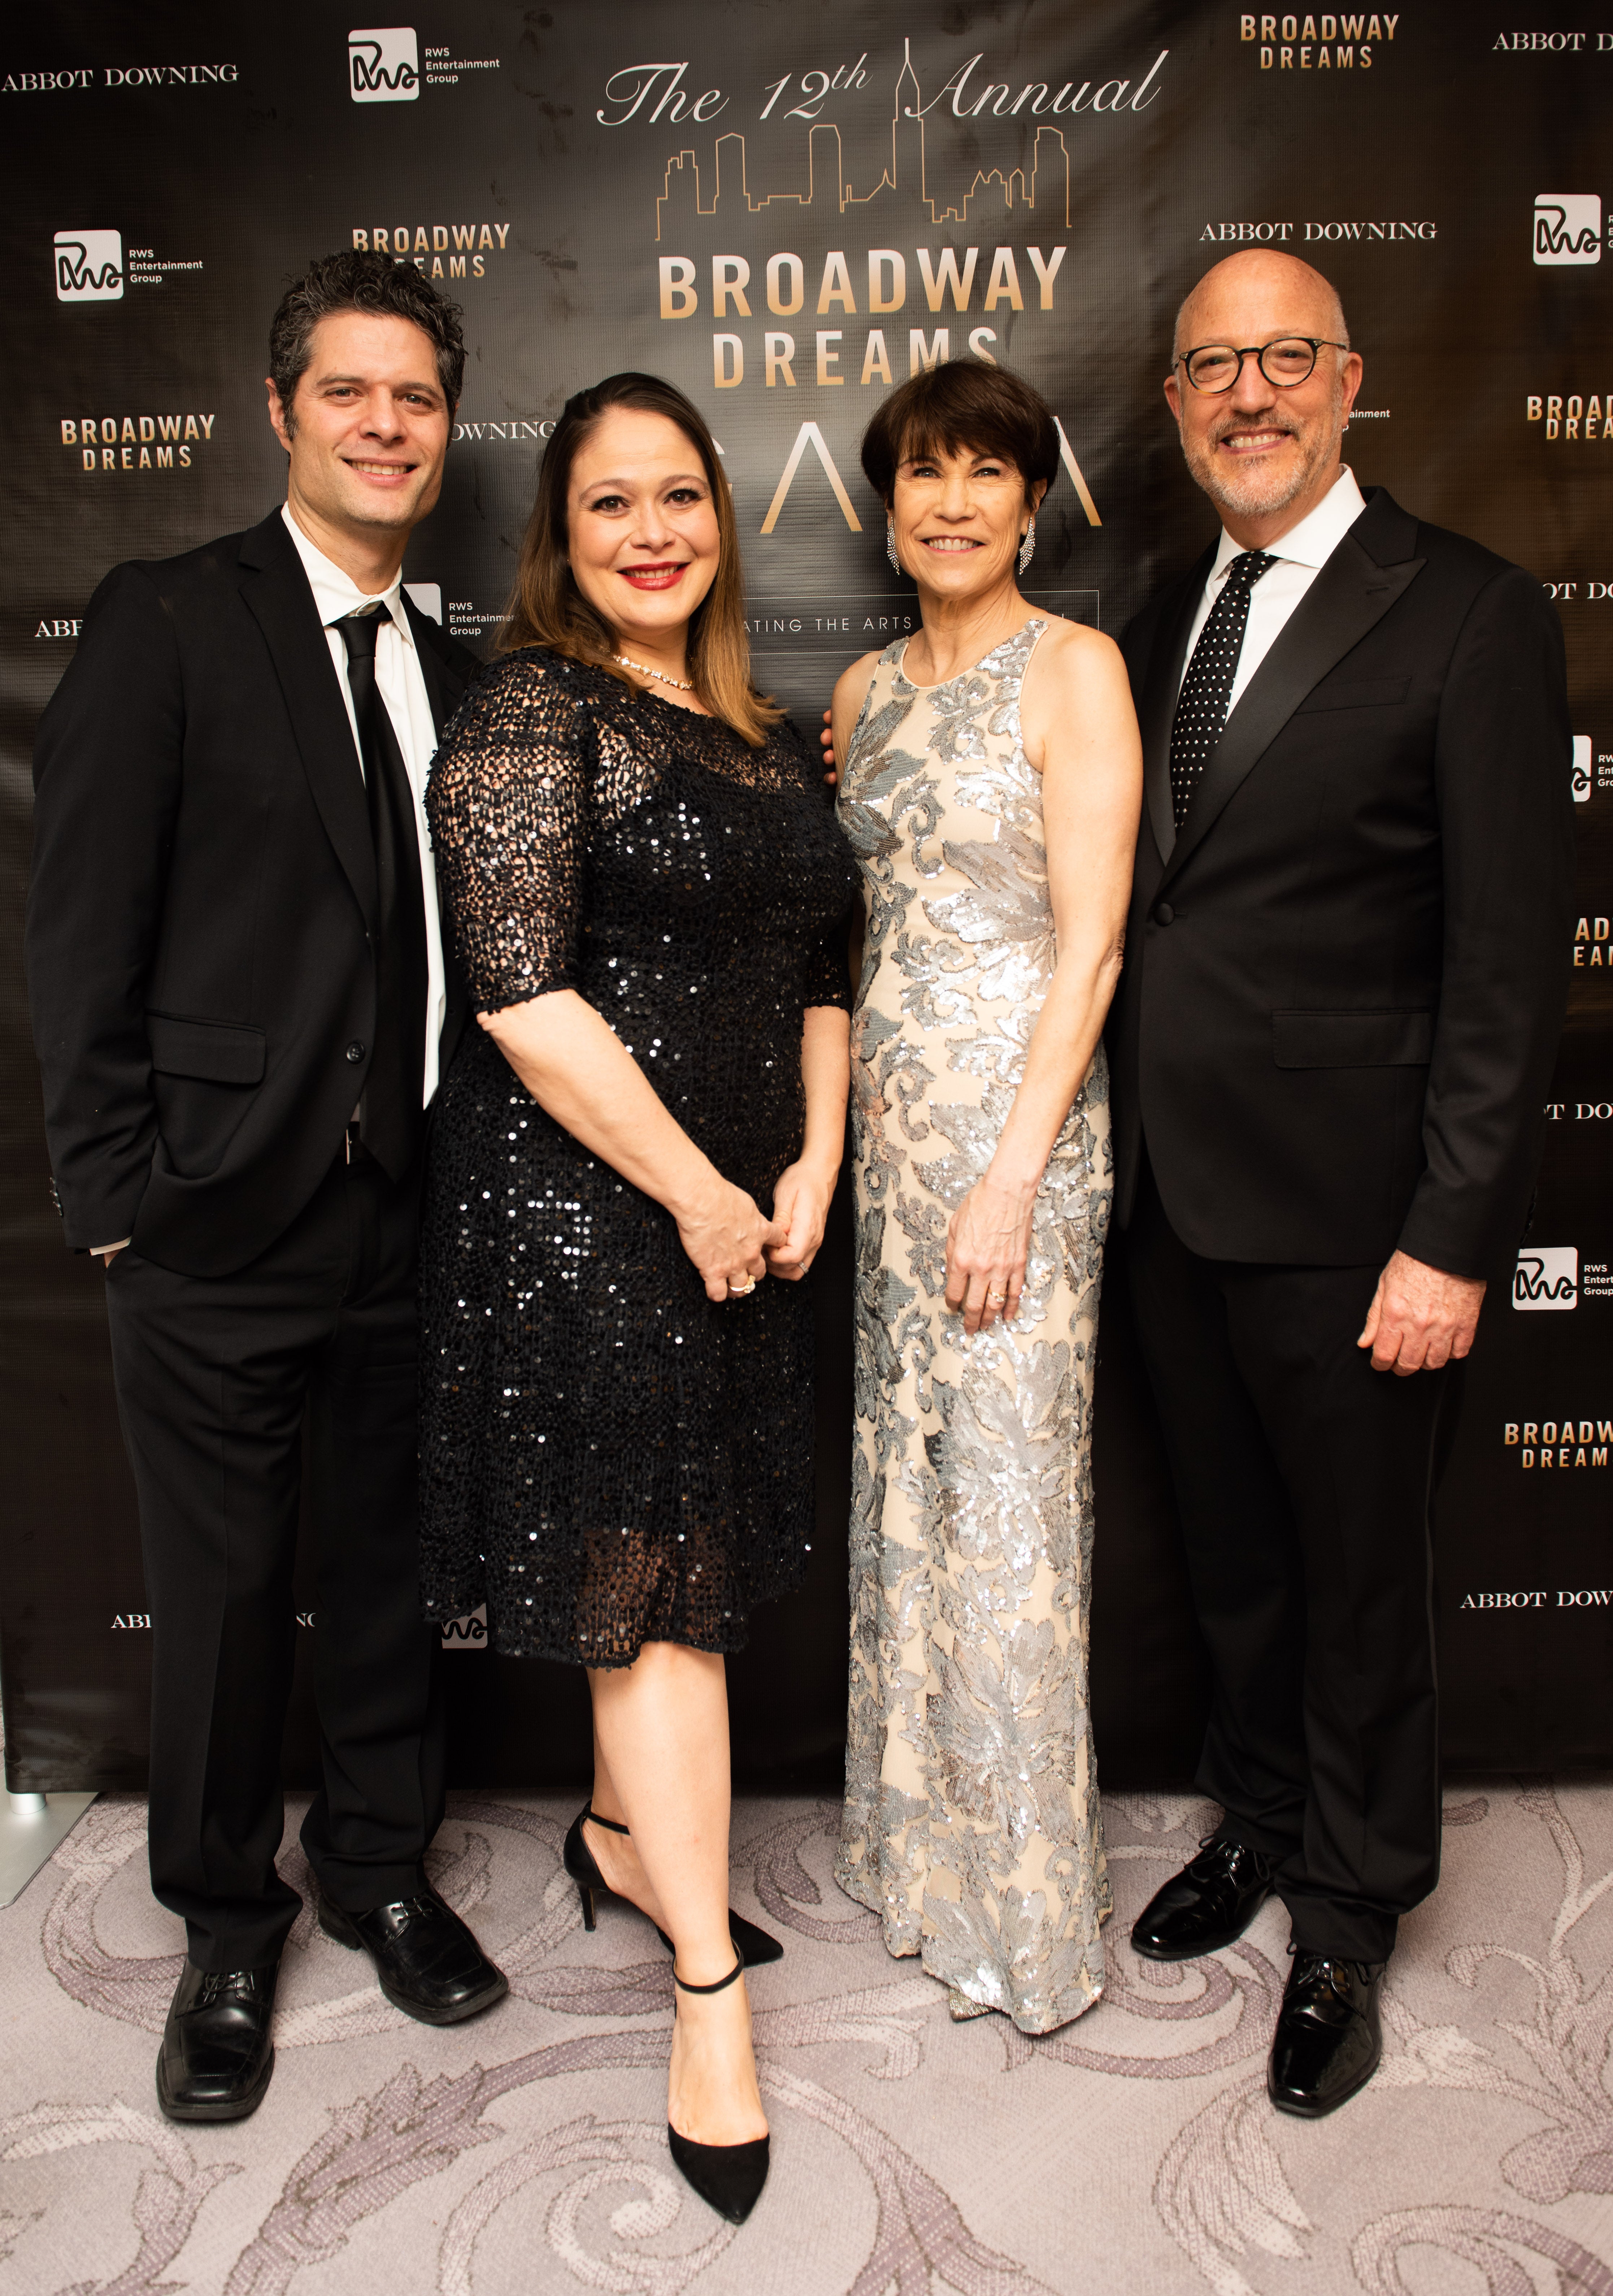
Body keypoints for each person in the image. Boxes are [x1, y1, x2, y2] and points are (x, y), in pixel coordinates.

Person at [25, 252, 508, 2125]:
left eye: (417, 399)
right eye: (352, 392)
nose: (387, 425)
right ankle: (228, 1924)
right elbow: (80, 934)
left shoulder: (457, 677)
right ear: (284, 411)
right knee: (223, 1602)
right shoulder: (170, 621)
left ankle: (379, 1865)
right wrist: (117, 1196)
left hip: (414, 1218)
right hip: (214, 1224)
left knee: (391, 1579)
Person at [1110, 250, 1575, 2116]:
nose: (1248, 392)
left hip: (1363, 1219)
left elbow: (1508, 960)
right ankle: (1266, 1814)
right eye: (1213, 363)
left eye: (1283, 356)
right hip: (1170, 1201)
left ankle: (1351, 1911)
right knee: (1230, 1563)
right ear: (1173, 401)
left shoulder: (1465, 611)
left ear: (1350, 377)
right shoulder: (1154, 610)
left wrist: (1448, 1236)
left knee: (1362, 1583)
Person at [418, 371, 857, 2224]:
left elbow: (829, 957)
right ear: (562, 536)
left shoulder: (763, 733)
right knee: (656, 1595)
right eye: (611, 505)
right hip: (595, 1227)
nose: (652, 531)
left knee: (686, 1572)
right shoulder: (527, 711)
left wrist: (814, 1166)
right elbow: (520, 998)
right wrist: (692, 1192)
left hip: (754, 1221)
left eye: (680, 496)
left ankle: (617, 1836)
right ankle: (704, 2005)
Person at [828, 361, 1142, 2033]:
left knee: (1011, 1511)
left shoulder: (1074, 670)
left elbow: (1088, 947)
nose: (948, 502)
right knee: (912, 1491)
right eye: (920, 475)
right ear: (888, 506)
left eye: (982, 473)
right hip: (891, 1157)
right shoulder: (865, 693)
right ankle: (919, 1854)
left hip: (1018, 1147)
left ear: (1032, 501)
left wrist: (1013, 1178)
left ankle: (1021, 1911)